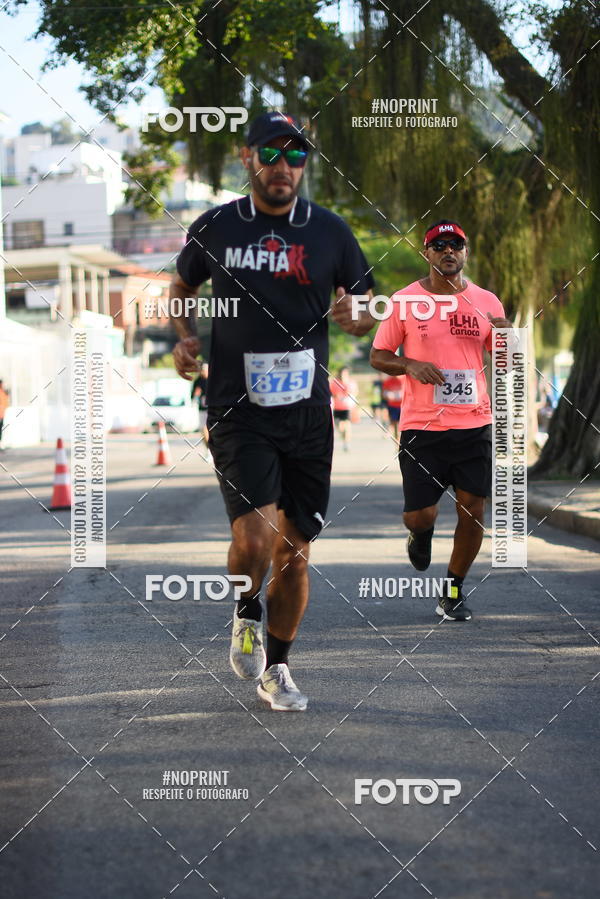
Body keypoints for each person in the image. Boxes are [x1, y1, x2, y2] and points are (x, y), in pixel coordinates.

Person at [169, 111, 375, 709]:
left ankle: (278, 669)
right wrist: (185, 335)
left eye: (296, 156)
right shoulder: (217, 226)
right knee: (256, 539)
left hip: (308, 410)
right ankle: (244, 609)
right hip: (238, 407)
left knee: (295, 553)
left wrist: (359, 316)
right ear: (247, 157)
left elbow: (367, 304)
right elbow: (180, 287)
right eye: (271, 154)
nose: (283, 166)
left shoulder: (330, 231)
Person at [370, 219, 512, 621]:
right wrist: (409, 365)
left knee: (474, 510)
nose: (449, 251)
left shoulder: (487, 301)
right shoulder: (405, 301)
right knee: (420, 514)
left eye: (456, 245)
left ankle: (452, 592)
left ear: (465, 252)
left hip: (474, 422)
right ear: (426, 253)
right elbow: (379, 355)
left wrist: (508, 339)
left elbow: (505, 363)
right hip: (422, 426)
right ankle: (421, 533)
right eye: (439, 245)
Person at [330, 366, 358, 451]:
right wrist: (336, 395)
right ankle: (344, 438)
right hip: (337, 407)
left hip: (347, 407)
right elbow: (331, 393)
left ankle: (346, 443)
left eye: (345, 373)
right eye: (342, 373)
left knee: (347, 425)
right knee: (339, 427)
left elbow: (355, 392)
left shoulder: (351, 382)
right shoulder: (334, 382)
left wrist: (349, 393)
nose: (343, 375)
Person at [191, 362, 210, 458]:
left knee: (211, 430)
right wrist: (196, 395)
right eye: (202, 370)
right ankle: (208, 450)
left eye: (205, 370)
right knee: (203, 430)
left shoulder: (212, 380)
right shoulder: (198, 381)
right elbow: (192, 396)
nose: (203, 372)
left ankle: (212, 450)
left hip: (212, 410)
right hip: (202, 409)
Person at [382, 373, 404, 442]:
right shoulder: (388, 381)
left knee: (402, 426)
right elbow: (384, 394)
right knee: (395, 425)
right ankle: (397, 443)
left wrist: (400, 395)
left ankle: (401, 441)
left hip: (403, 406)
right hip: (392, 406)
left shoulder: (404, 379)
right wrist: (389, 395)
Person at [0, 380, 9, 450]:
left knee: (1, 429)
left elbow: (6, 402)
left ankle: (0, 444)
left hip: (2, 414)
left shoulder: (3, 392)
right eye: (2, 384)